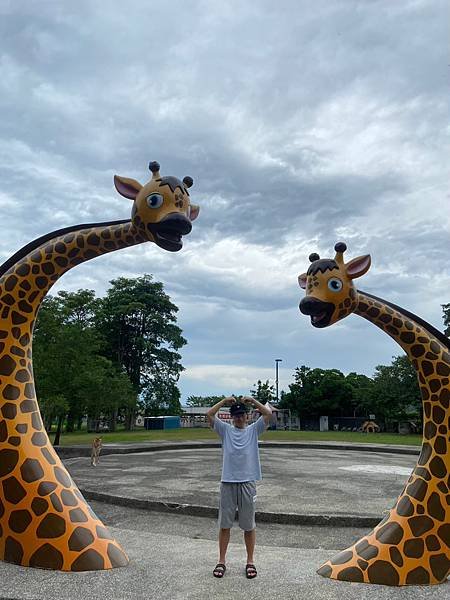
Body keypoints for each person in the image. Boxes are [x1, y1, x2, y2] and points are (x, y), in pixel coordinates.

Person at [206, 395, 272, 579]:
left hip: (247, 482)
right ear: (231, 417)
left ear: (247, 416)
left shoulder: (253, 430)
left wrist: (252, 401)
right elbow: (209, 414)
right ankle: (221, 561)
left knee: (248, 525)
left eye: (242, 415)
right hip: (228, 481)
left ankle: (250, 561)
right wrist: (224, 402)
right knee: (225, 524)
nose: (239, 418)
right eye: (235, 415)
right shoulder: (225, 430)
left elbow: (267, 414)